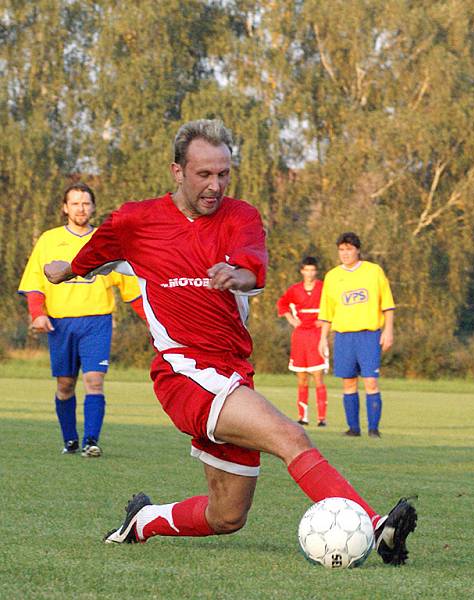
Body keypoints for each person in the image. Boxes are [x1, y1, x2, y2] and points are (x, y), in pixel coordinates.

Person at [43, 119, 416, 564]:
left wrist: (236, 275)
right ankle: (376, 526)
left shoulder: (241, 216)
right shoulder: (135, 221)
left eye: (223, 174)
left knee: (226, 516)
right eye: (204, 174)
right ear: (177, 171)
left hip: (233, 373)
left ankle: (143, 522)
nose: (215, 185)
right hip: (183, 372)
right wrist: (65, 270)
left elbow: (251, 265)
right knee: (288, 435)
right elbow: (92, 255)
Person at [18, 182, 145, 457]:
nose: (81, 208)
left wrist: (154, 323)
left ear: (93, 207)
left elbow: (131, 290)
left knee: (94, 382)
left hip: (97, 322)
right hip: (61, 323)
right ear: (65, 208)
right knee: (65, 385)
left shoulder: (106, 240)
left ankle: (91, 441)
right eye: (75, 203)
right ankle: (70, 441)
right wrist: (38, 314)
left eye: (86, 203)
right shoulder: (49, 240)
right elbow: (34, 283)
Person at [317, 232, 395, 438]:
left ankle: (373, 429)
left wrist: (388, 330)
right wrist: (323, 338)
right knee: (348, 382)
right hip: (343, 337)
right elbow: (327, 311)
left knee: (370, 381)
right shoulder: (332, 276)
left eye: (349, 249)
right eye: (341, 249)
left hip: (368, 335)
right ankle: (353, 428)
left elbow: (387, 304)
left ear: (357, 250)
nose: (345, 253)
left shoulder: (373, 271)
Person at [276, 256, 328, 426]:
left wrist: (327, 322)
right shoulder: (294, 289)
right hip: (299, 337)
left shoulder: (324, 288)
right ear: (302, 271)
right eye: (306, 269)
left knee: (318, 377)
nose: (309, 273)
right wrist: (291, 320)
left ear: (316, 271)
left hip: (316, 335)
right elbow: (282, 303)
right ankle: (303, 417)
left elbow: (334, 308)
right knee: (301, 378)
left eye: (312, 270)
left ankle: (322, 419)